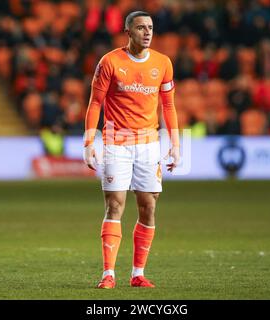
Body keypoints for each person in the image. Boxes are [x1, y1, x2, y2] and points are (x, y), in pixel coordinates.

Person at [83, 11, 180, 289]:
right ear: (128, 32)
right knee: (115, 205)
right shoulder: (110, 61)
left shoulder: (163, 63)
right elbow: (95, 103)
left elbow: (169, 106)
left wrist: (175, 144)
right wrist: (90, 142)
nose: (147, 32)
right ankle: (108, 274)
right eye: (140, 28)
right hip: (117, 142)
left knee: (148, 207)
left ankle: (138, 273)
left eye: (150, 27)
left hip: (149, 145)